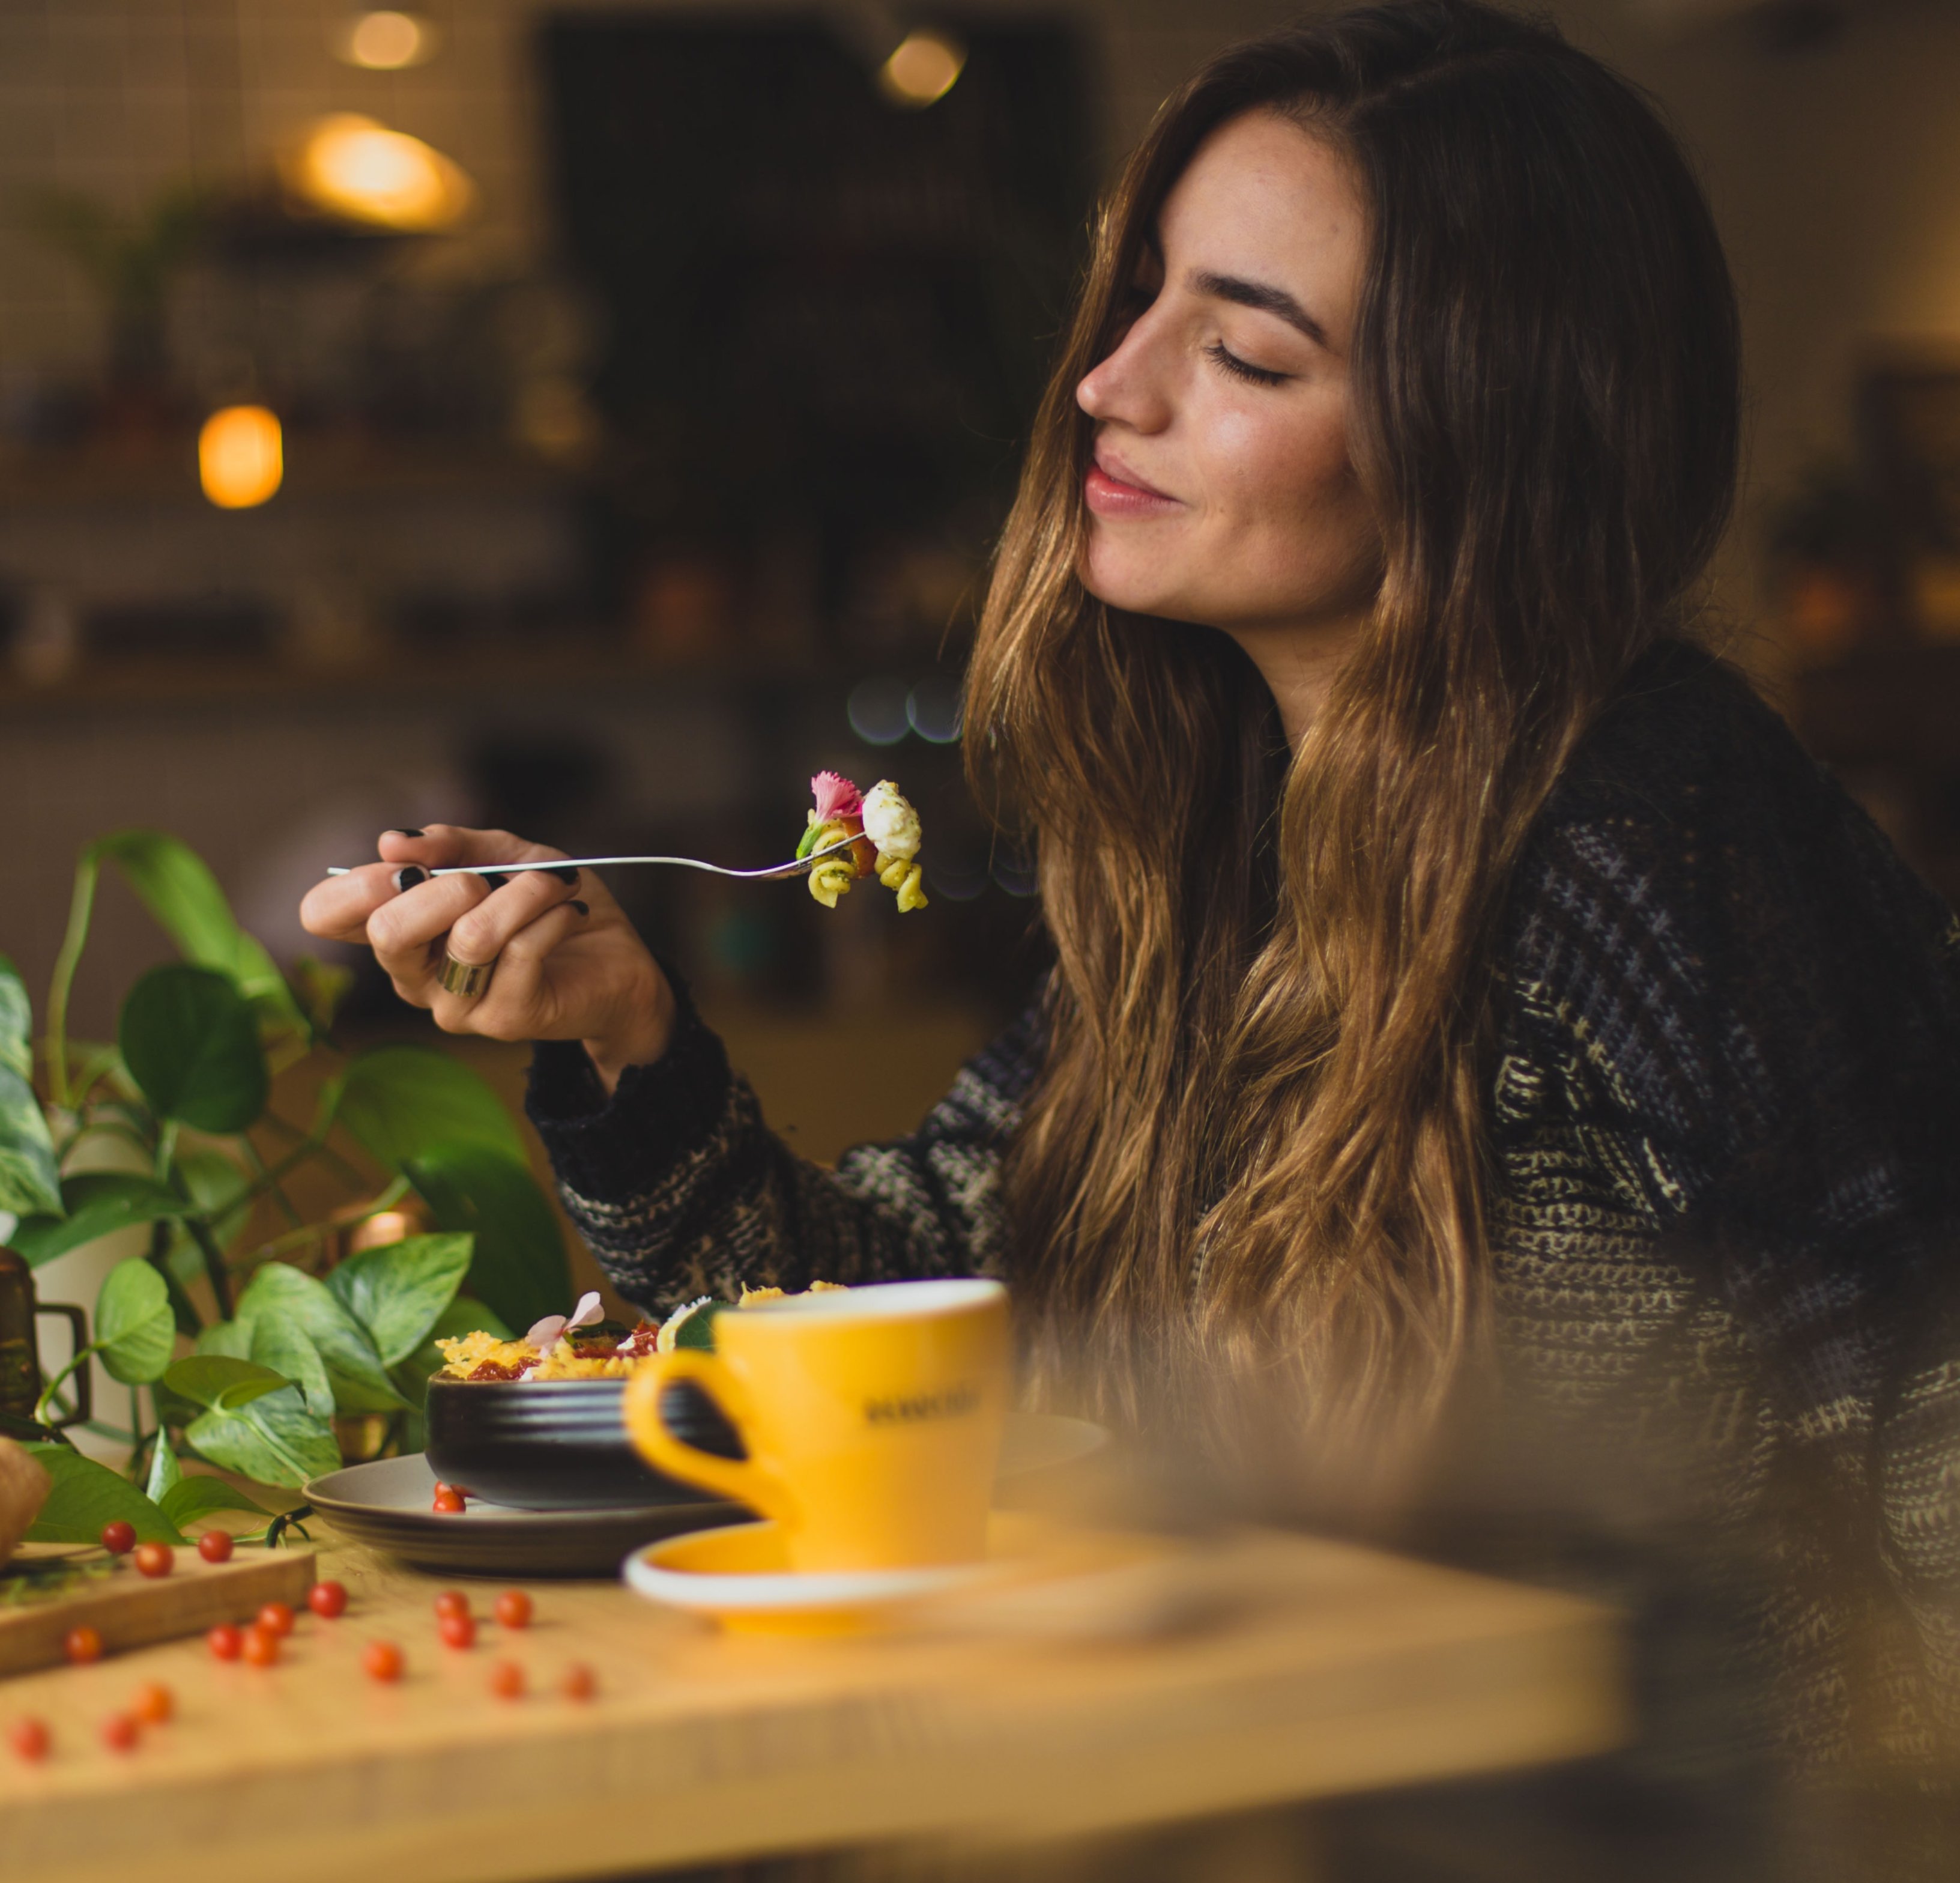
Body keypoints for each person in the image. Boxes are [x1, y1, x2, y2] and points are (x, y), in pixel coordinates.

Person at [303, 0, 1960, 1779]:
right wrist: (632, 1042)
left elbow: (1925, 1430)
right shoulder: (1240, 848)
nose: (1111, 382)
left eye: (1246, 356)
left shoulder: (1649, 839)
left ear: (1486, 441)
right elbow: (917, 1320)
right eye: (1144, 294)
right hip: (1288, 1823)